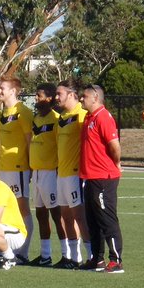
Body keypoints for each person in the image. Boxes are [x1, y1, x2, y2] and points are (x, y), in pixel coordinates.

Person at [78, 84, 124, 273]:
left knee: (106, 219)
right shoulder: (89, 117)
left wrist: (117, 162)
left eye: (84, 96)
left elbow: (114, 145)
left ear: (95, 98)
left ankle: (116, 260)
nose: (81, 99)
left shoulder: (103, 117)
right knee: (92, 220)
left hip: (103, 177)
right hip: (89, 177)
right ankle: (97, 259)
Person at [53, 79, 91, 269]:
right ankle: (73, 258)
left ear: (72, 94)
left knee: (79, 216)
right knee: (65, 217)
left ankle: (91, 256)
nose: (56, 97)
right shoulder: (61, 118)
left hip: (75, 175)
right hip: (61, 174)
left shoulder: (82, 115)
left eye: (59, 93)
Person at [0, 77, 34, 261]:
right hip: (3, 168)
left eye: (2, 88)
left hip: (18, 168)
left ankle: (23, 251)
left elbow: (29, 141)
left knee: (21, 208)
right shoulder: (3, 113)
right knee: (5, 209)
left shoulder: (23, 112)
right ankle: (8, 250)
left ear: (13, 91)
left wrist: (30, 166)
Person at [28, 84, 62, 266]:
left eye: (39, 95)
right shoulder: (36, 119)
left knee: (57, 214)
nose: (36, 98)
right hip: (37, 173)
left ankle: (68, 254)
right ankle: (45, 255)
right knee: (41, 214)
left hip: (50, 172)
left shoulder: (56, 119)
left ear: (49, 98)